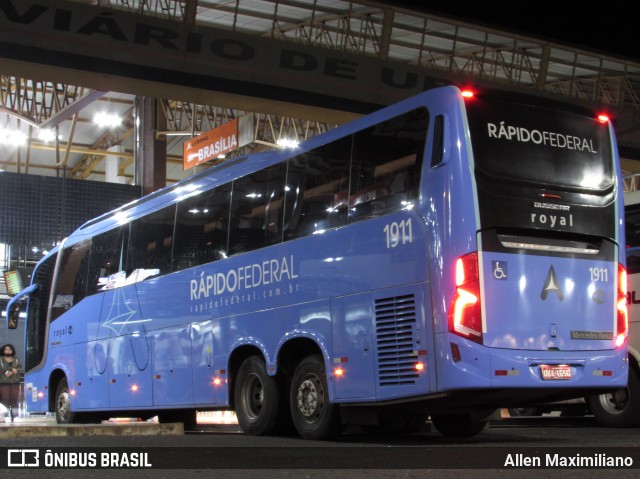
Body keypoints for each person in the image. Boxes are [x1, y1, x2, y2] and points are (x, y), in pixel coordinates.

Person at [0, 344, 22, 422]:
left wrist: (16, 370)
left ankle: (15, 416)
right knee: (5, 399)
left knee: (15, 399)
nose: (8, 351)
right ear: (3, 351)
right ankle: (5, 416)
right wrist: (7, 370)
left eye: (9, 350)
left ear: (12, 351)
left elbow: (20, 367)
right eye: (6, 349)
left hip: (15, 382)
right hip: (3, 382)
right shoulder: (1, 359)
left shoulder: (16, 360)